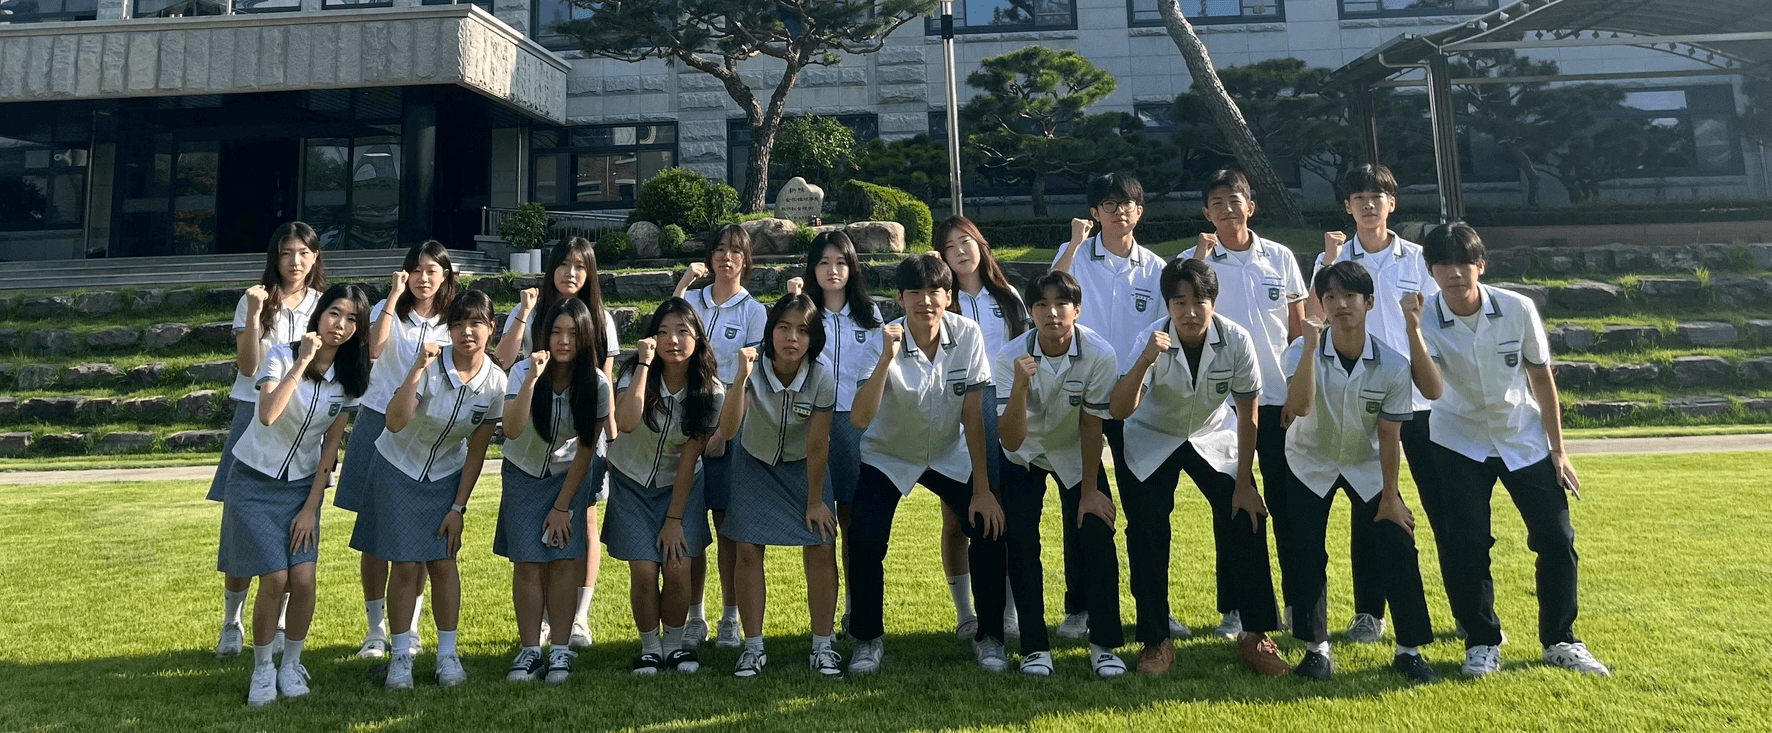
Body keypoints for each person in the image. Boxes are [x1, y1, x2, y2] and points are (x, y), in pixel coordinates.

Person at [1415, 223, 1609, 678]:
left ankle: (1561, 640)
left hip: (1523, 437)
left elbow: (1541, 377)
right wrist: (1409, 328)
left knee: (1557, 539)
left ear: (1480, 265)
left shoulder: (1517, 308)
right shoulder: (1421, 319)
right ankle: (1481, 642)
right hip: (1457, 440)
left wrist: (1558, 450)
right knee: (1466, 545)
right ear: (1431, 270)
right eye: (1442, 264)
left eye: (1464, 263)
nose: (1454, 273)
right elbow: (1430, 388)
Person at [1108, 258, 1287, 678]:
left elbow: (1248, 414)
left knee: (1247, 516)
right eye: (1179, 301)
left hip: (1211, 435)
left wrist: (1244, 484)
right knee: (1147, 529)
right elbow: (1118, 409)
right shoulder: (1149, 340)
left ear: (1213, 301)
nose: (1189, 311)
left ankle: (1255, 632)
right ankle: (1155, 640)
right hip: (1150, 437)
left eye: (1199, 300)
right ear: (1168, 304)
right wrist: (1145, 361)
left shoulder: (1237, 339)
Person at [1277, 261, 1441, 683]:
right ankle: (1317, 649)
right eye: (1330, 296)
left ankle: (1409, 650)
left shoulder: (1391, 363)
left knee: (1399, 540)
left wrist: (1390, 496)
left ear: (1368, 302)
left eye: (1349, 296)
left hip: (1366, 462)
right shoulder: (1300, 350)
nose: (1340, 304)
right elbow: (1298, 407)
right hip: (1308, 460)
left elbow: (1390, 434)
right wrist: (1311, 349)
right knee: (1306, 550)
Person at [845, 254, 1005, 676]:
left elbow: (974, 412)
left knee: (988, 528)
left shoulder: (968, 334)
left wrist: (984, 488)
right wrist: (885, 359)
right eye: (914, 292)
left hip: (950, 454)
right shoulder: (883, 339)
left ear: (948, 296)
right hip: (889, 455)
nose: (925, 301)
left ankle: (989, 637)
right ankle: (867, 639)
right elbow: (860, 420)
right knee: (863, 538)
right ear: (900, 298)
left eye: (934, 291)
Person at [219, 283, 372, 706]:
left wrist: (311, 508)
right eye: (334, 314)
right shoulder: (282, 354)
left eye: (352, 319)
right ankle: (263, 668)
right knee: (276, 577)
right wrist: (302, 361)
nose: (340, 325)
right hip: (253, 480)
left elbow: (330, 448)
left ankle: (291, 664)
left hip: (302, 487)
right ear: (319, 314)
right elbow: (267, 415)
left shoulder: (350, 381)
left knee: (303, 579)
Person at [1050, 172, 1185, 640]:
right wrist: (1072, 243)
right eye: (1108, 204)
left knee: (1147, 513)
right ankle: (1080, 608)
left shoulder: (1155, 268)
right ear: (1094, 213)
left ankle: (1155, 607)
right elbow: (1055, 290)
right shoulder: (1076, 258)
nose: (1119, 212)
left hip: (1137, 401)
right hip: (1081, 398)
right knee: (1082, 506)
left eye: (1127, 204)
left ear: (1140, 212)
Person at [1312, 164, 1440, 643]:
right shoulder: (1334, 261)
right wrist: (1327, 261)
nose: (1368, 204)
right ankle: (1369, 612)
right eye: (1358, 197)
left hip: (1420, 404)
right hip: (1358, 399)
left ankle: (1469, 609)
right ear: (1346, 206)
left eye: (1378, 195)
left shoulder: (1420, 260)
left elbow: (1438, 326)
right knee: (1369, 504)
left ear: (1393, 202)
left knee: (1441, 505)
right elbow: (1312, 319)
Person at [1183, 169, 1307, 637]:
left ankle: (1297, 602)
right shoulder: (1197, 261)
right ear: (1206, 213)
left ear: (1250, 206)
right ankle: (1236, 607)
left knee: (1286, 505)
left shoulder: (1280, 256)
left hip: (1277, 403)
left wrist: (1297, 391)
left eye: (1235, 201)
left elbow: (1296, 331)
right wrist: (1198, 259)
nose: (1227, 210)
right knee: (1232, 505)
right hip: (1220, 410)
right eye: (1217, 203)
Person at [994, 270, 1126, 677]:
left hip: (1075, 450)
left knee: (1098, 532)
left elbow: (1092, 424)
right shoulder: (1008, 357)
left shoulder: (1100, 355)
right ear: (1030, 312)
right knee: (1020, 542)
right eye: (1041, 305)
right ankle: (1035, 647)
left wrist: (1089, 492)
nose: (1052, 313)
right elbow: (1012, 440)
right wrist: (1019, 386)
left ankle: (1104, 645)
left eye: (1061, 304)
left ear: (1077, 309)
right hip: (1024, 455)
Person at [372, 291, 507, 690]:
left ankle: (447, 656)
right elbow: (394, 424)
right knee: (406, 565)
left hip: (446, 476)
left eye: (477, 323)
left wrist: (459, 508)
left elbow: (478, 449)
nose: (468, 332)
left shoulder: (496, 382)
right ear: (448, 328)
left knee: (444, 563)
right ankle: (400, 658)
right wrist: (415, 368)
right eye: (460, 323)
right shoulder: (430, 365)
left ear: (491, 329)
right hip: (397, 467)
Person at [493, 236, 621, 649]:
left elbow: (604, 374)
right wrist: (526, 313)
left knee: (580, 523)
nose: (571, 273)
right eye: (563, 265)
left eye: (580, 266)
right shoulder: (531, 312)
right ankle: (541, 625)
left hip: (582, 431)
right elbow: (504, 360)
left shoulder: (599, 317)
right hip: (532, 431)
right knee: (530, 548)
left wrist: (610, 431)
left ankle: (576, 619)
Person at [209, 221, 326, 659]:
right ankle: (232, 621)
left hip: (302, 423)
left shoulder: (322, 305)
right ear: (274, 258)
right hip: (254, 417)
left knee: (293, 525)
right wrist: (256, 315)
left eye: (303, 253)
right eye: (286, 253)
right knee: (241, 529)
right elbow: (247, 367)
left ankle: (277, 621)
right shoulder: (254, 300)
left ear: (315, 258)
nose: (294, 262)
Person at [336, 241, 458, 659]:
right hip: (376, 419)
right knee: (373, 532)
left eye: (432, 271)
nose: (424, 279)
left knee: (418, 534)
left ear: (446, 277)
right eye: (417, 270)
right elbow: (373, 349)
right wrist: (391, 295)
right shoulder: (392, 313)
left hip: (423, 431)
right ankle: (375, 629)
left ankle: (413, 627)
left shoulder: (453, 322)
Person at [715, 294, 843, 678]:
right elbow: (729, 429)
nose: (792, 338)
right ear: (771, 332)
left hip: (806, 469)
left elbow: (820, 443)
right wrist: (739, 379)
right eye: (784, 327)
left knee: (821, 546)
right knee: (749, 552)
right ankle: (753, 649)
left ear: (813, 338)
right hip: (754, 464)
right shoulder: (752, 366)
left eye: (802, 331)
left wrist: (816, 500)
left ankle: (822, 646)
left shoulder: (821, 376)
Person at [606, 299, 724, 675]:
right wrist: (642, 364)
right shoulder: (633, 374)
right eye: (663, 332)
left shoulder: (710, 391)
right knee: (643, 570)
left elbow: (690, 457)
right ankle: (649, 647)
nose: (672, 340)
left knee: (676, 567)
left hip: (681, 485)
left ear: (697, 338)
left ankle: (675, 645)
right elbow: (624, 422)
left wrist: (675, 519)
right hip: (631, 481)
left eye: (682, 331)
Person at [935, 215, 1030, 641]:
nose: (959, 251)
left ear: (980, 244)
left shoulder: (1009, 299)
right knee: (957, 520)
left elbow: (1027, 356)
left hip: (1005, 413)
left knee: (1003, 515)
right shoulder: (940, 302)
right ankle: (965, 613)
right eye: (950, 245)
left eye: (966, 241)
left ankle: (1008, 612)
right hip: (955, 419)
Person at [673, 224, 767, 650]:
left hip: (732, 416)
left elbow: (748, 378)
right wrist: (684, 282)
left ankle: (731, 617)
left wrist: (725, 430)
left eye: (735, 252)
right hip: (686, 416)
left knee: (727, 525)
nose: (726, 258)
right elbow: (666, 330)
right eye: (720, 250)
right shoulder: (693, 300)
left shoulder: (754, 311)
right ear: (709, 257)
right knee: (691, 523)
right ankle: (696, 616)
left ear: (745, 261)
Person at [787, 230, 883, 640]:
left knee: (854, 522)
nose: (832, 271)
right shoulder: (804, 314)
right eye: (823, 263)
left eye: (840, 263)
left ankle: (853, 611)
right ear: (813, 268)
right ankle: (822, 624)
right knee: (821, 523)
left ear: (852, 268)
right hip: (812, 423)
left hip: (857, 426)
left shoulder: (870, 314)